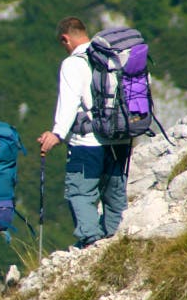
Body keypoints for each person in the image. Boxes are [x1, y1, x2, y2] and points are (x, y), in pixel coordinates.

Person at [37, 16, 131, 248]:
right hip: (121, 137)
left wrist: (57, 134)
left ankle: (92, 244)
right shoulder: (115, 55)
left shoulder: (73, 63)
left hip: (89, 142)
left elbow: (68, 103)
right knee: (114, 193)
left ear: (65, 39)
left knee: (80, 193)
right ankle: (114, 240)